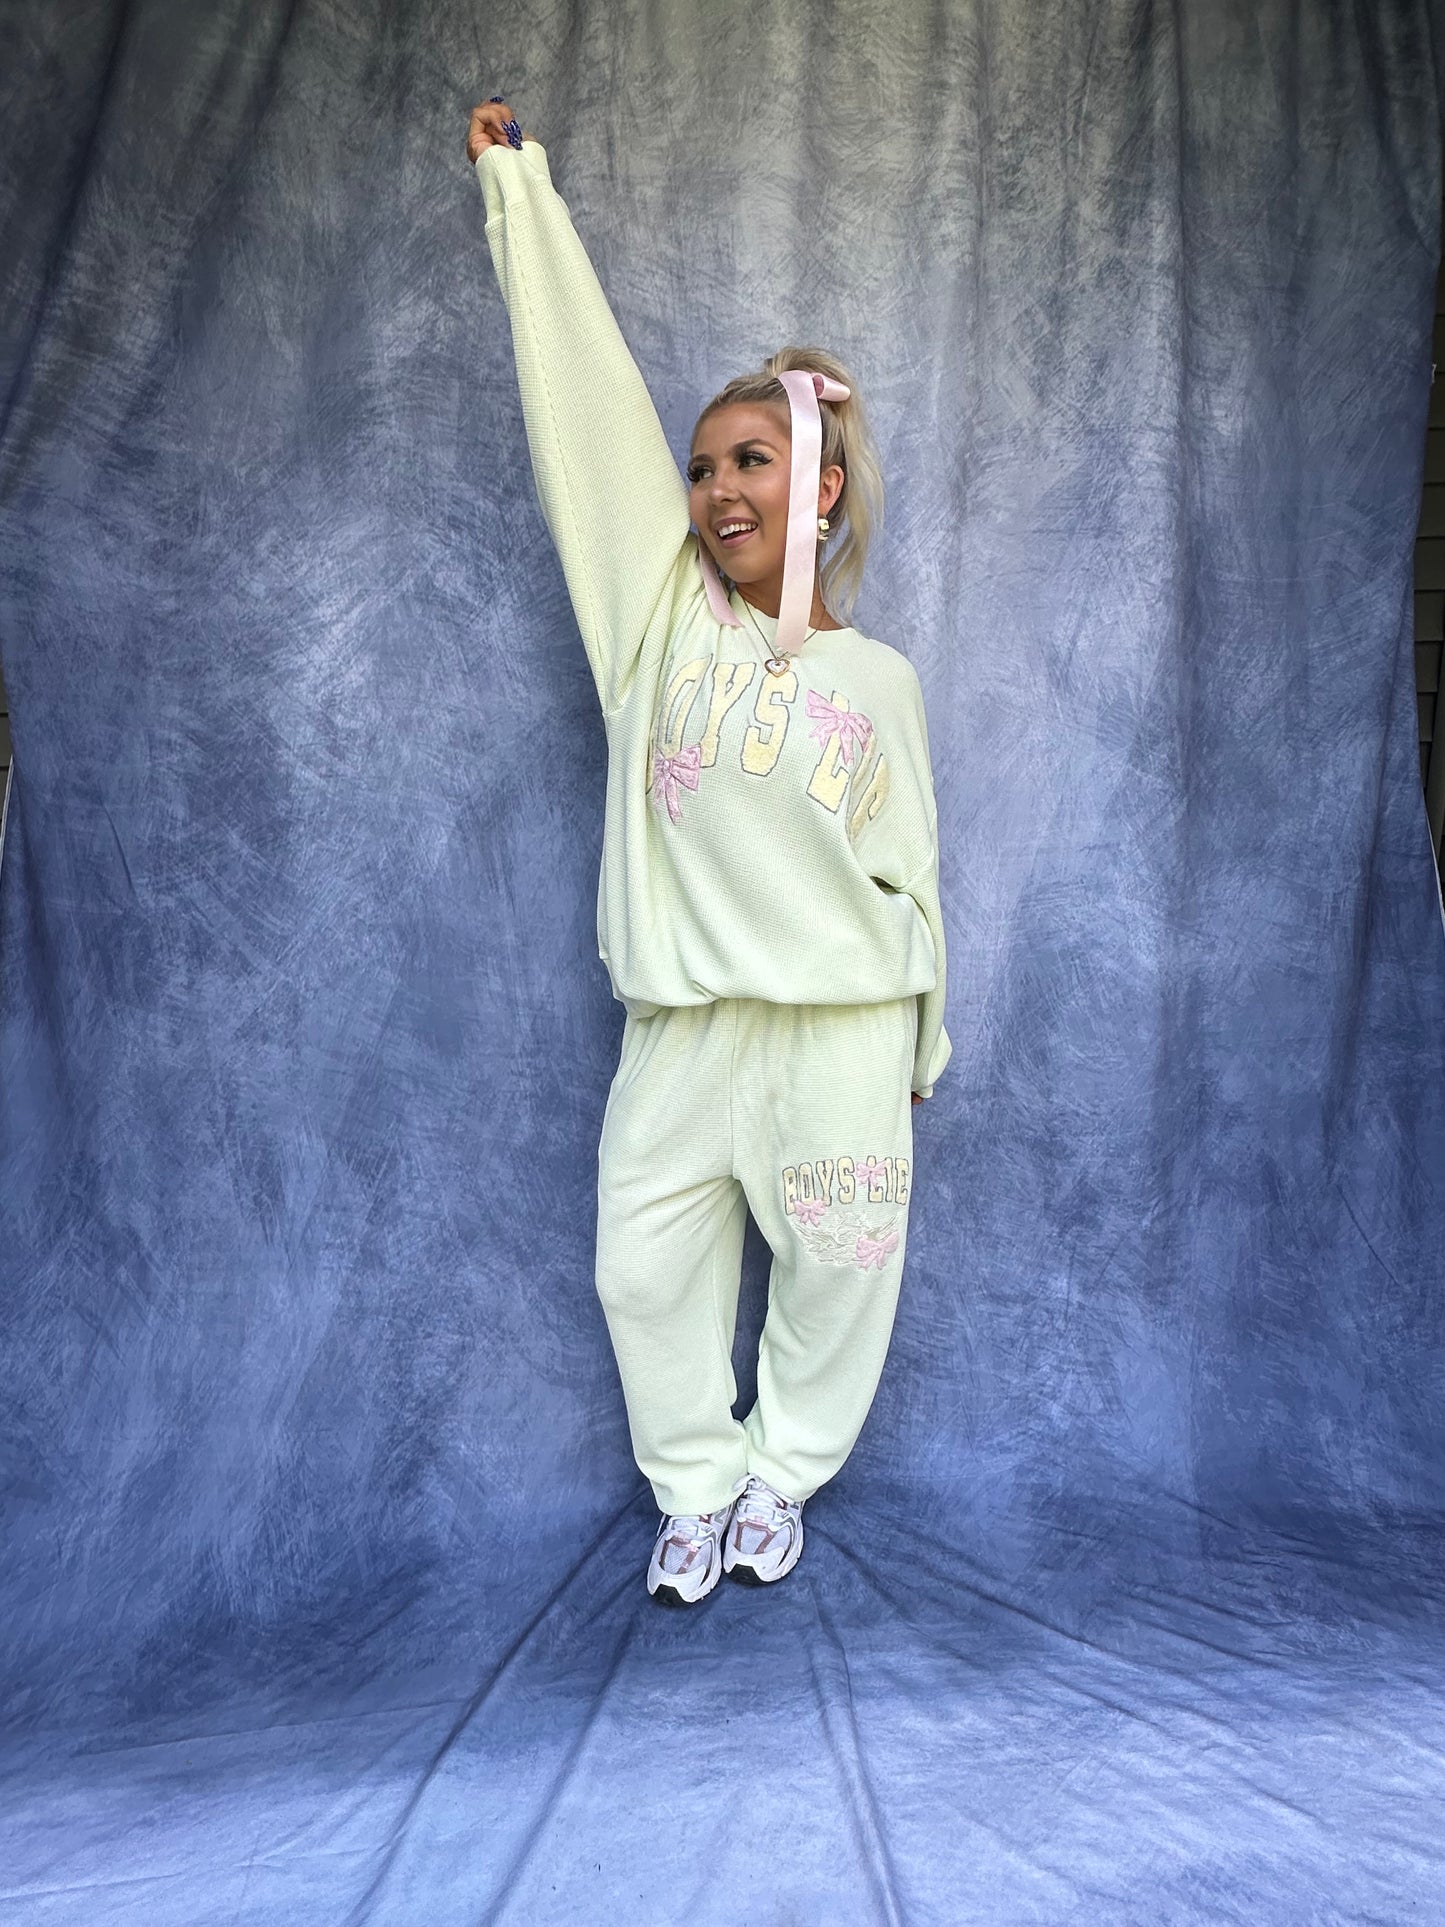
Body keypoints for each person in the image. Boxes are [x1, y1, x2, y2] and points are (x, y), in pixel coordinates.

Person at [466, 98, 952, 1607]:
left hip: (840, 1027)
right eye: (700, 468)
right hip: (682, 1024)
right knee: (640, 1266)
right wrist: (520, 198)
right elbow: (586, 421)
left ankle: (778, 1477)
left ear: (819, 486)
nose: (716, 489)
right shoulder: (657, 621)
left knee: (841, 1271)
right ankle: (691, 1484)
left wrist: (918, 1043)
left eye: (751, 459)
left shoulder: (879, 684)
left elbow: (914, 876)